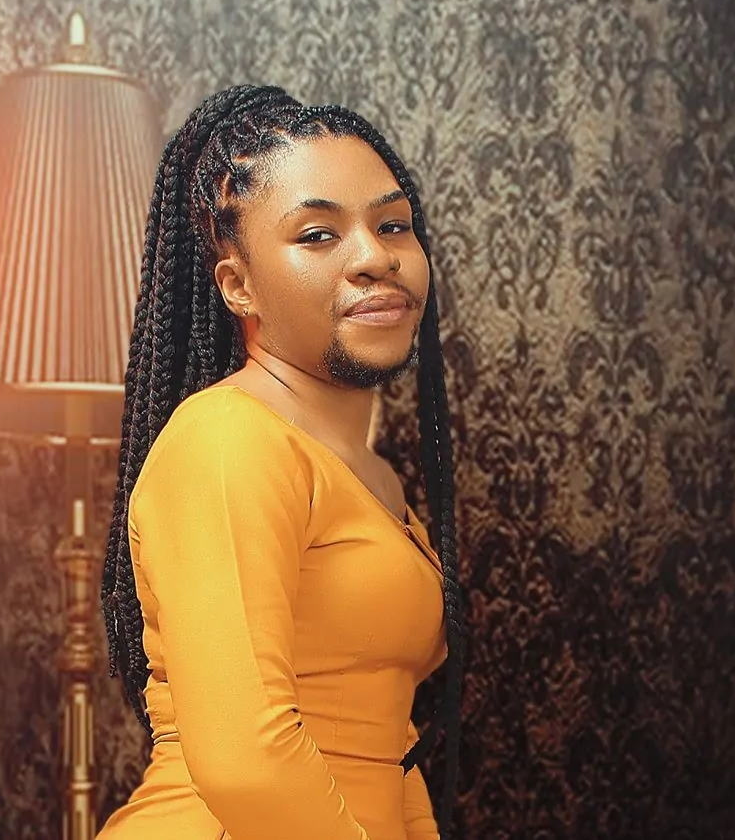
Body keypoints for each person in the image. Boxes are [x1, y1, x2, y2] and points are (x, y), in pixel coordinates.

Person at [98, 85, 466, 840]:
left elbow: (388, 748)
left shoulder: (374, 477)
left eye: (392, 225)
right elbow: (248, 763)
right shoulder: (226, 439)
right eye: (318, 235)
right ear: (238, 286)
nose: (375, 257)